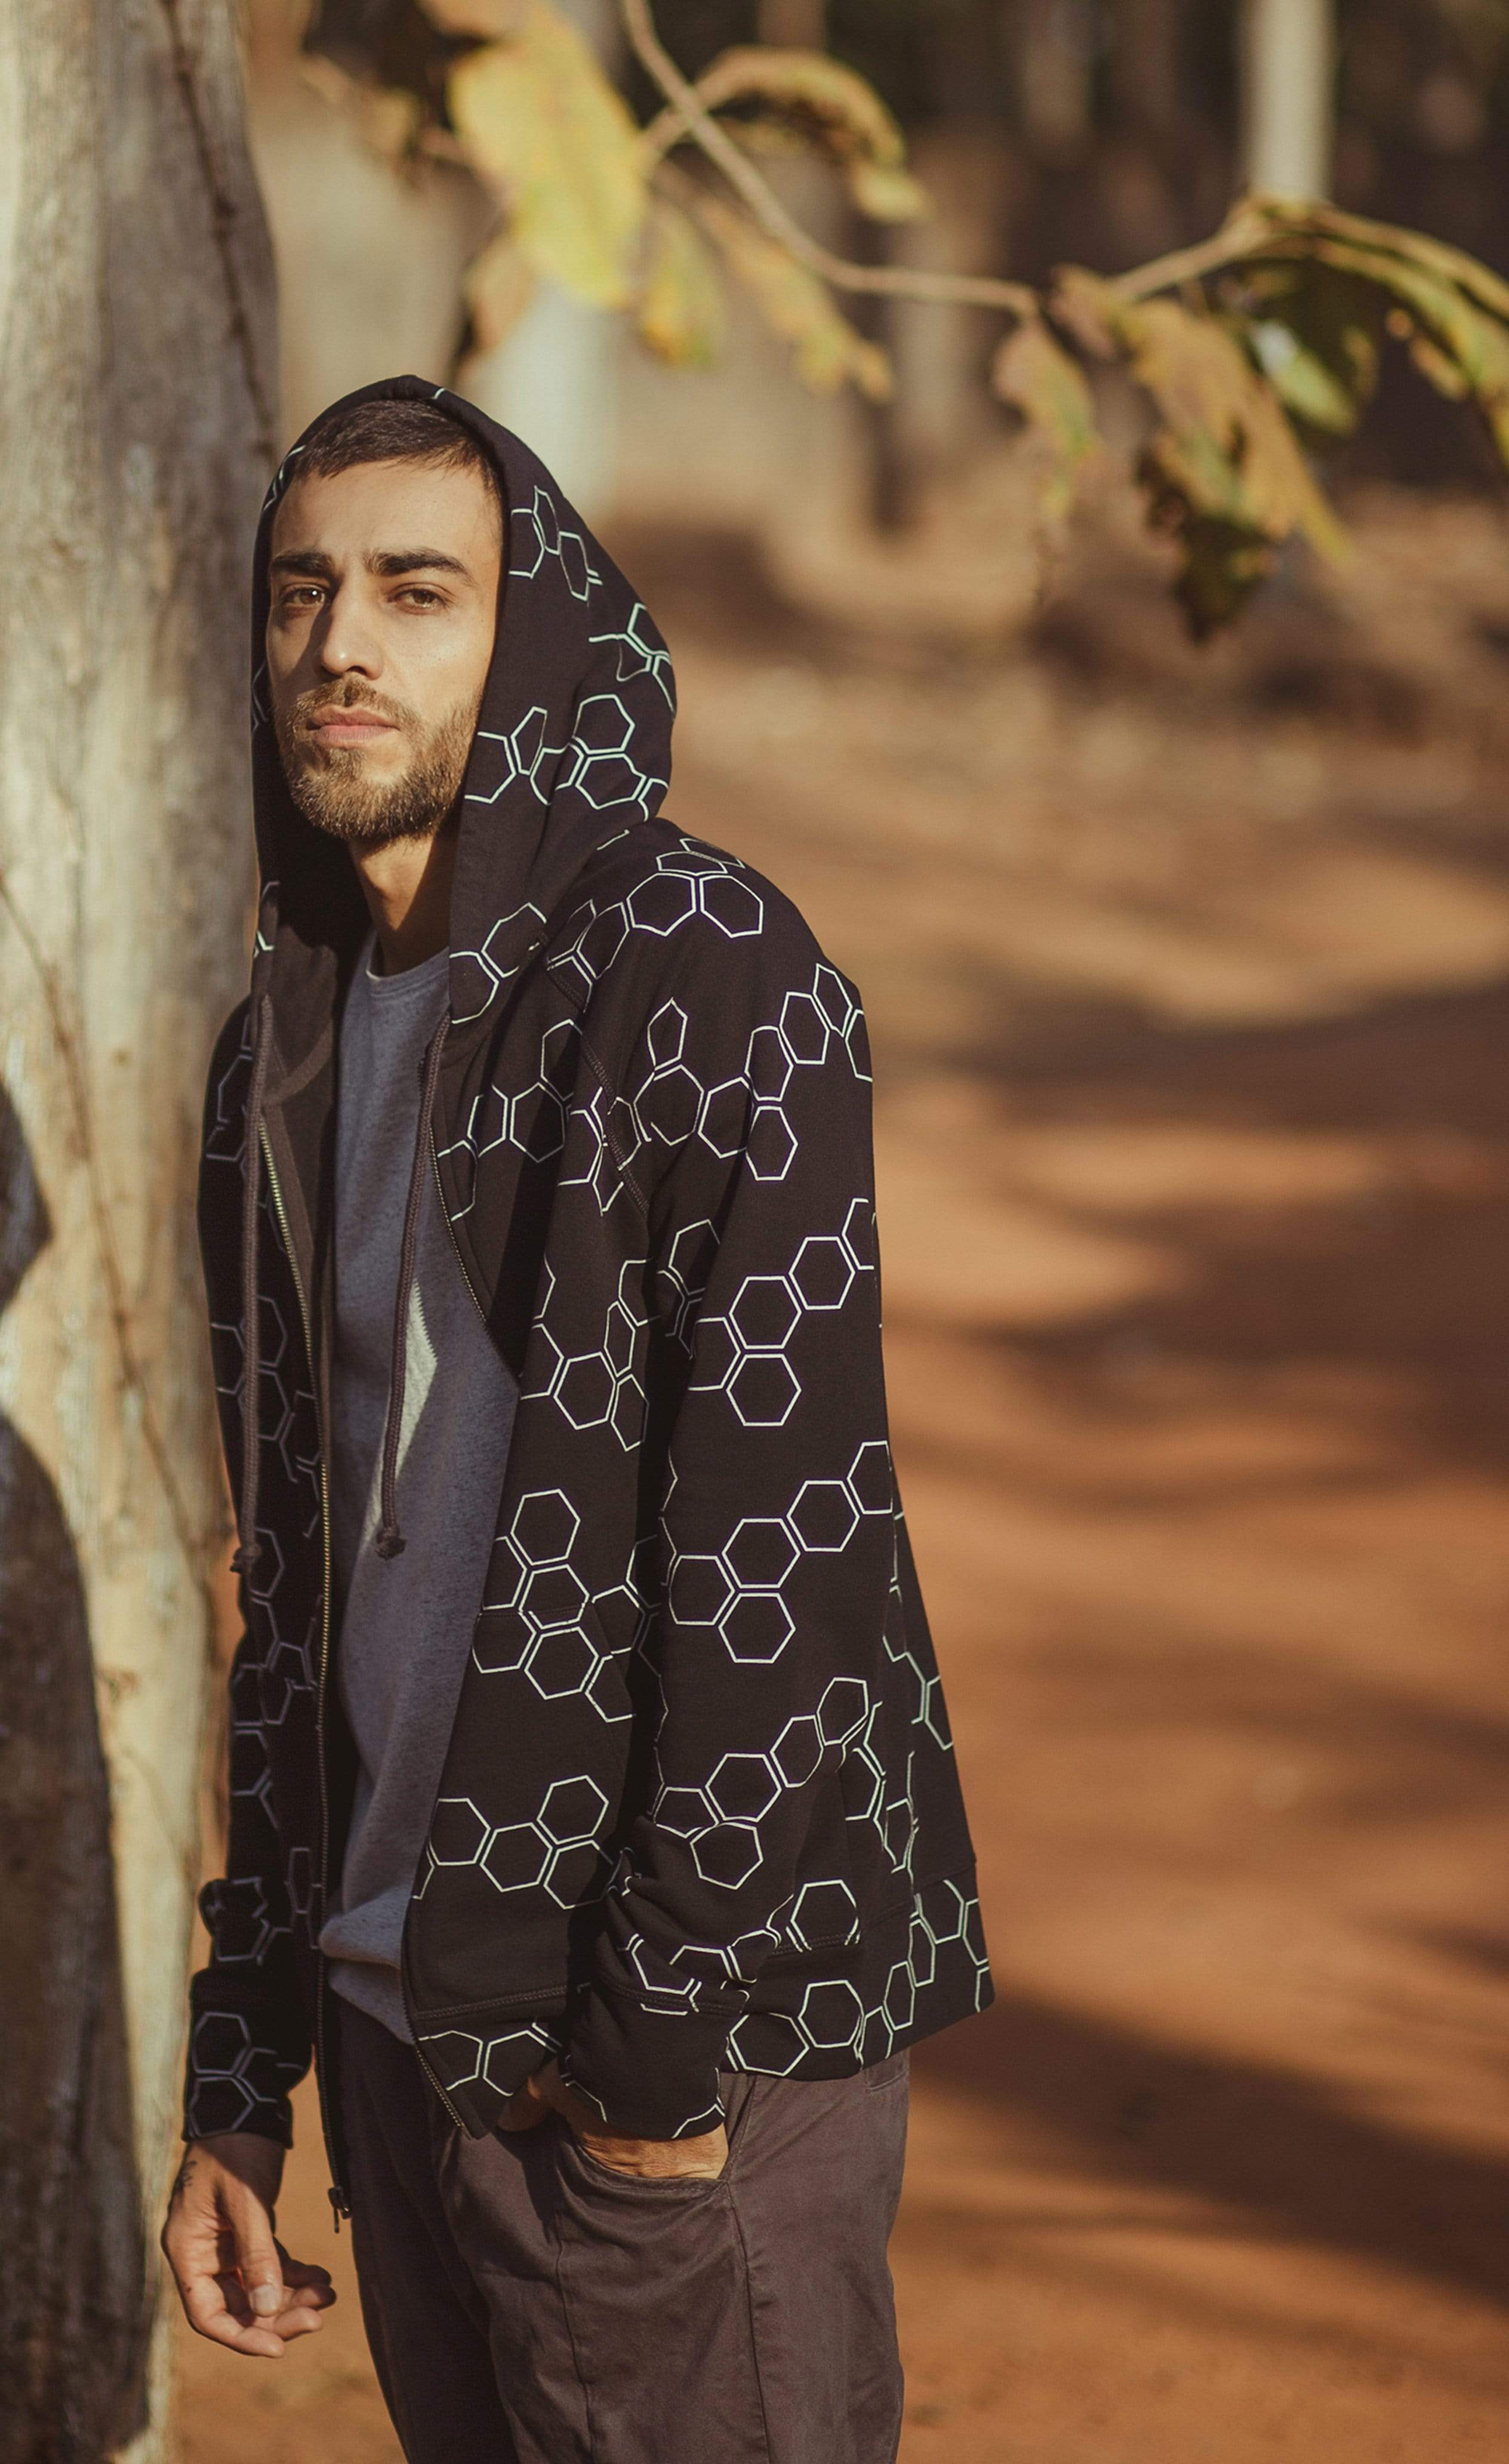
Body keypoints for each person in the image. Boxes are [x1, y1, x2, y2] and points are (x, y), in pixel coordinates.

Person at [161, 377, 990, 2464]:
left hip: (658, 2065)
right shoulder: (278, 1051)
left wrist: (649, 2070)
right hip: (398, 2023)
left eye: (416, 592)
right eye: (301, 593)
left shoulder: (699, 966)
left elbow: (784, 1547)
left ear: (533, 642)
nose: (341, 645)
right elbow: (293, 1589)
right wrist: (245, 2073)